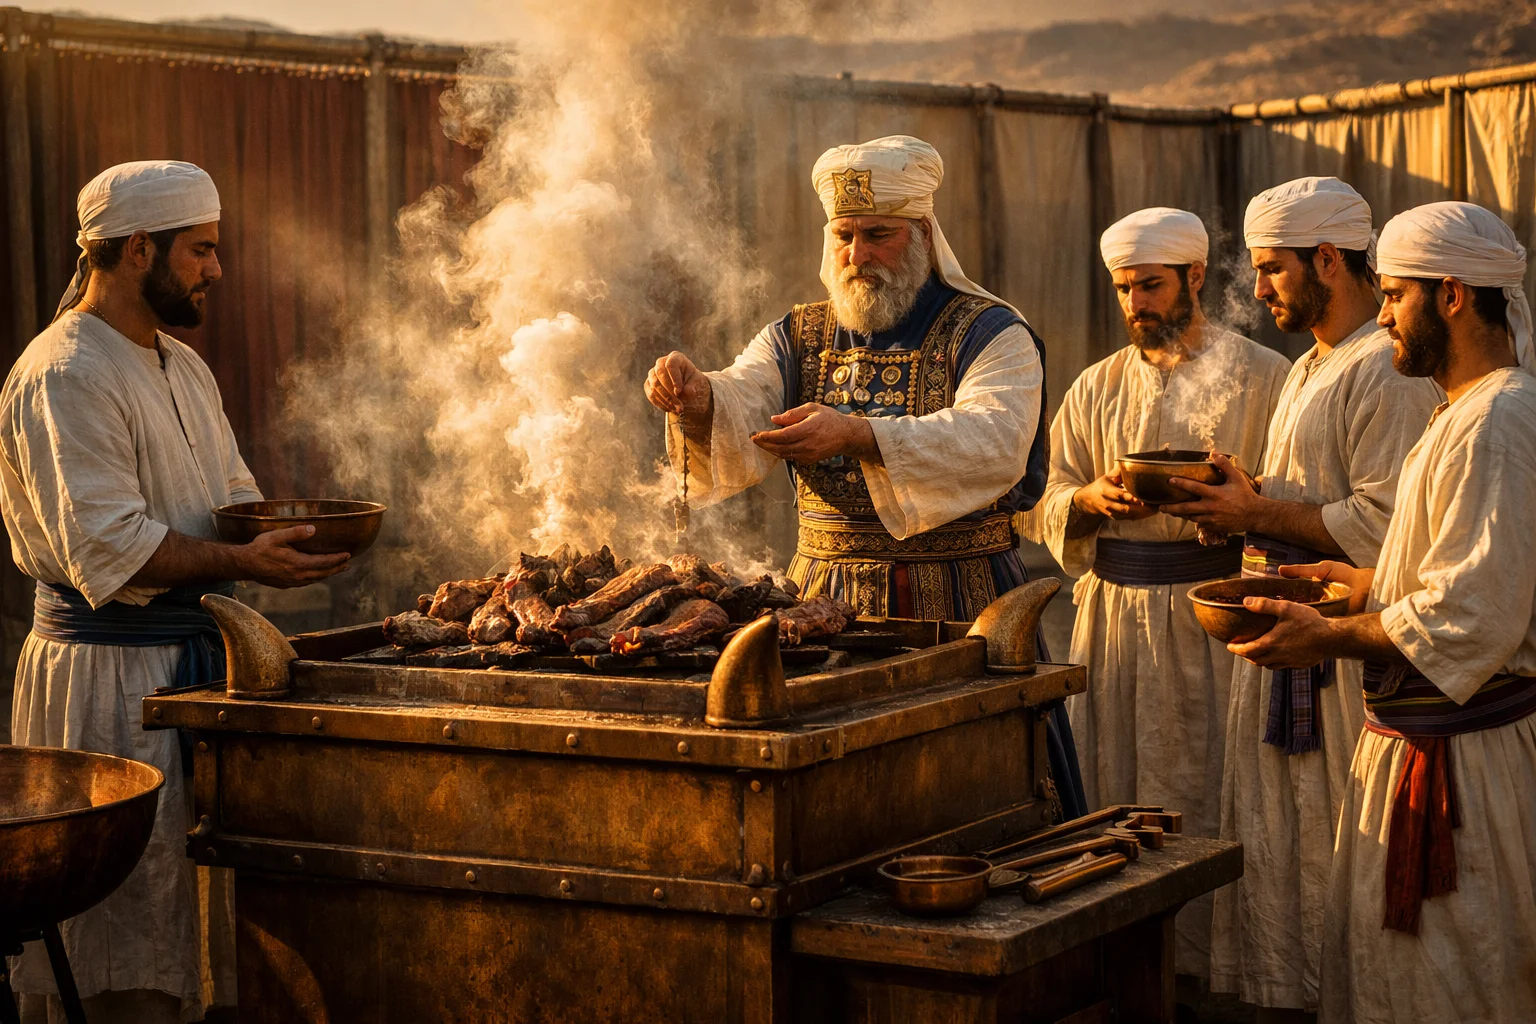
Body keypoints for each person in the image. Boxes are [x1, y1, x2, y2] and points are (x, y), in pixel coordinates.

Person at [642, 134, 1086, 818]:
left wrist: (860, 434)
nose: (858, 256)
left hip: (961, 606)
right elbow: (743, 394)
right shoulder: (799, 334)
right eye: (844, 236)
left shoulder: (991, 333)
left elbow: (995, 438)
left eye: (879, 235)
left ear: (924, 234)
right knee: (827, 803)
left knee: (970, 796)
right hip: (821, 603)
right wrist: (699, 396)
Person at [1, 161, 349, 1023]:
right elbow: (106, 547)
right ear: (135, 249)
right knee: (120, 947)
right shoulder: (66, 373)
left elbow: (228, 497)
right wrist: (246, 564)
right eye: (201, 250)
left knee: (186, 930)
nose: (217, 270)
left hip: (190, 671)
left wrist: (283, 534)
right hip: (104, 682)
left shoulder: (184, 366)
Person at [1227, 201, 1536, 1023]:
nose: (1384, 311)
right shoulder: (1461, 411)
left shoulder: (1499, 419)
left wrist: (1328, 634)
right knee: (1398, 980)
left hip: (1462, 769)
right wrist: (1358, 583)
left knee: (1450, 981)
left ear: (1454, 296)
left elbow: (1472, 615)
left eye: (1395, 294)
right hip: (1418, 747)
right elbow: (1444, 568)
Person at [1158, 177, 1442, 1020]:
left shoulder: (1386, 374)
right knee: (1284, 838)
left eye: (1275, 269)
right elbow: (1314, 496)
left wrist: (1260, 511)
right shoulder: (1315, 365)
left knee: (1334, 839)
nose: (1262, 287)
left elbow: (1390, 524)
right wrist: (1240, 506)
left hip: (1340, 654)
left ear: (1329, 259)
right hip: (1290, 638)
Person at [1042, 207, 1290, 980]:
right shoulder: (1094, 387)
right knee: (1116, 785)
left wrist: (1239, 513)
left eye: (1149, 285)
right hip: (1115, 626)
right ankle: (1122, 970)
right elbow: (1042, 496)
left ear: (1194, 278)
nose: (1135, 304)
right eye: (1122, 289)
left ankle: (1215, 967)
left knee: (1212, 788)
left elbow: (1293, 496)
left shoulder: (1266, 376)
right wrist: (1089, 501)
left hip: (1214, 625)